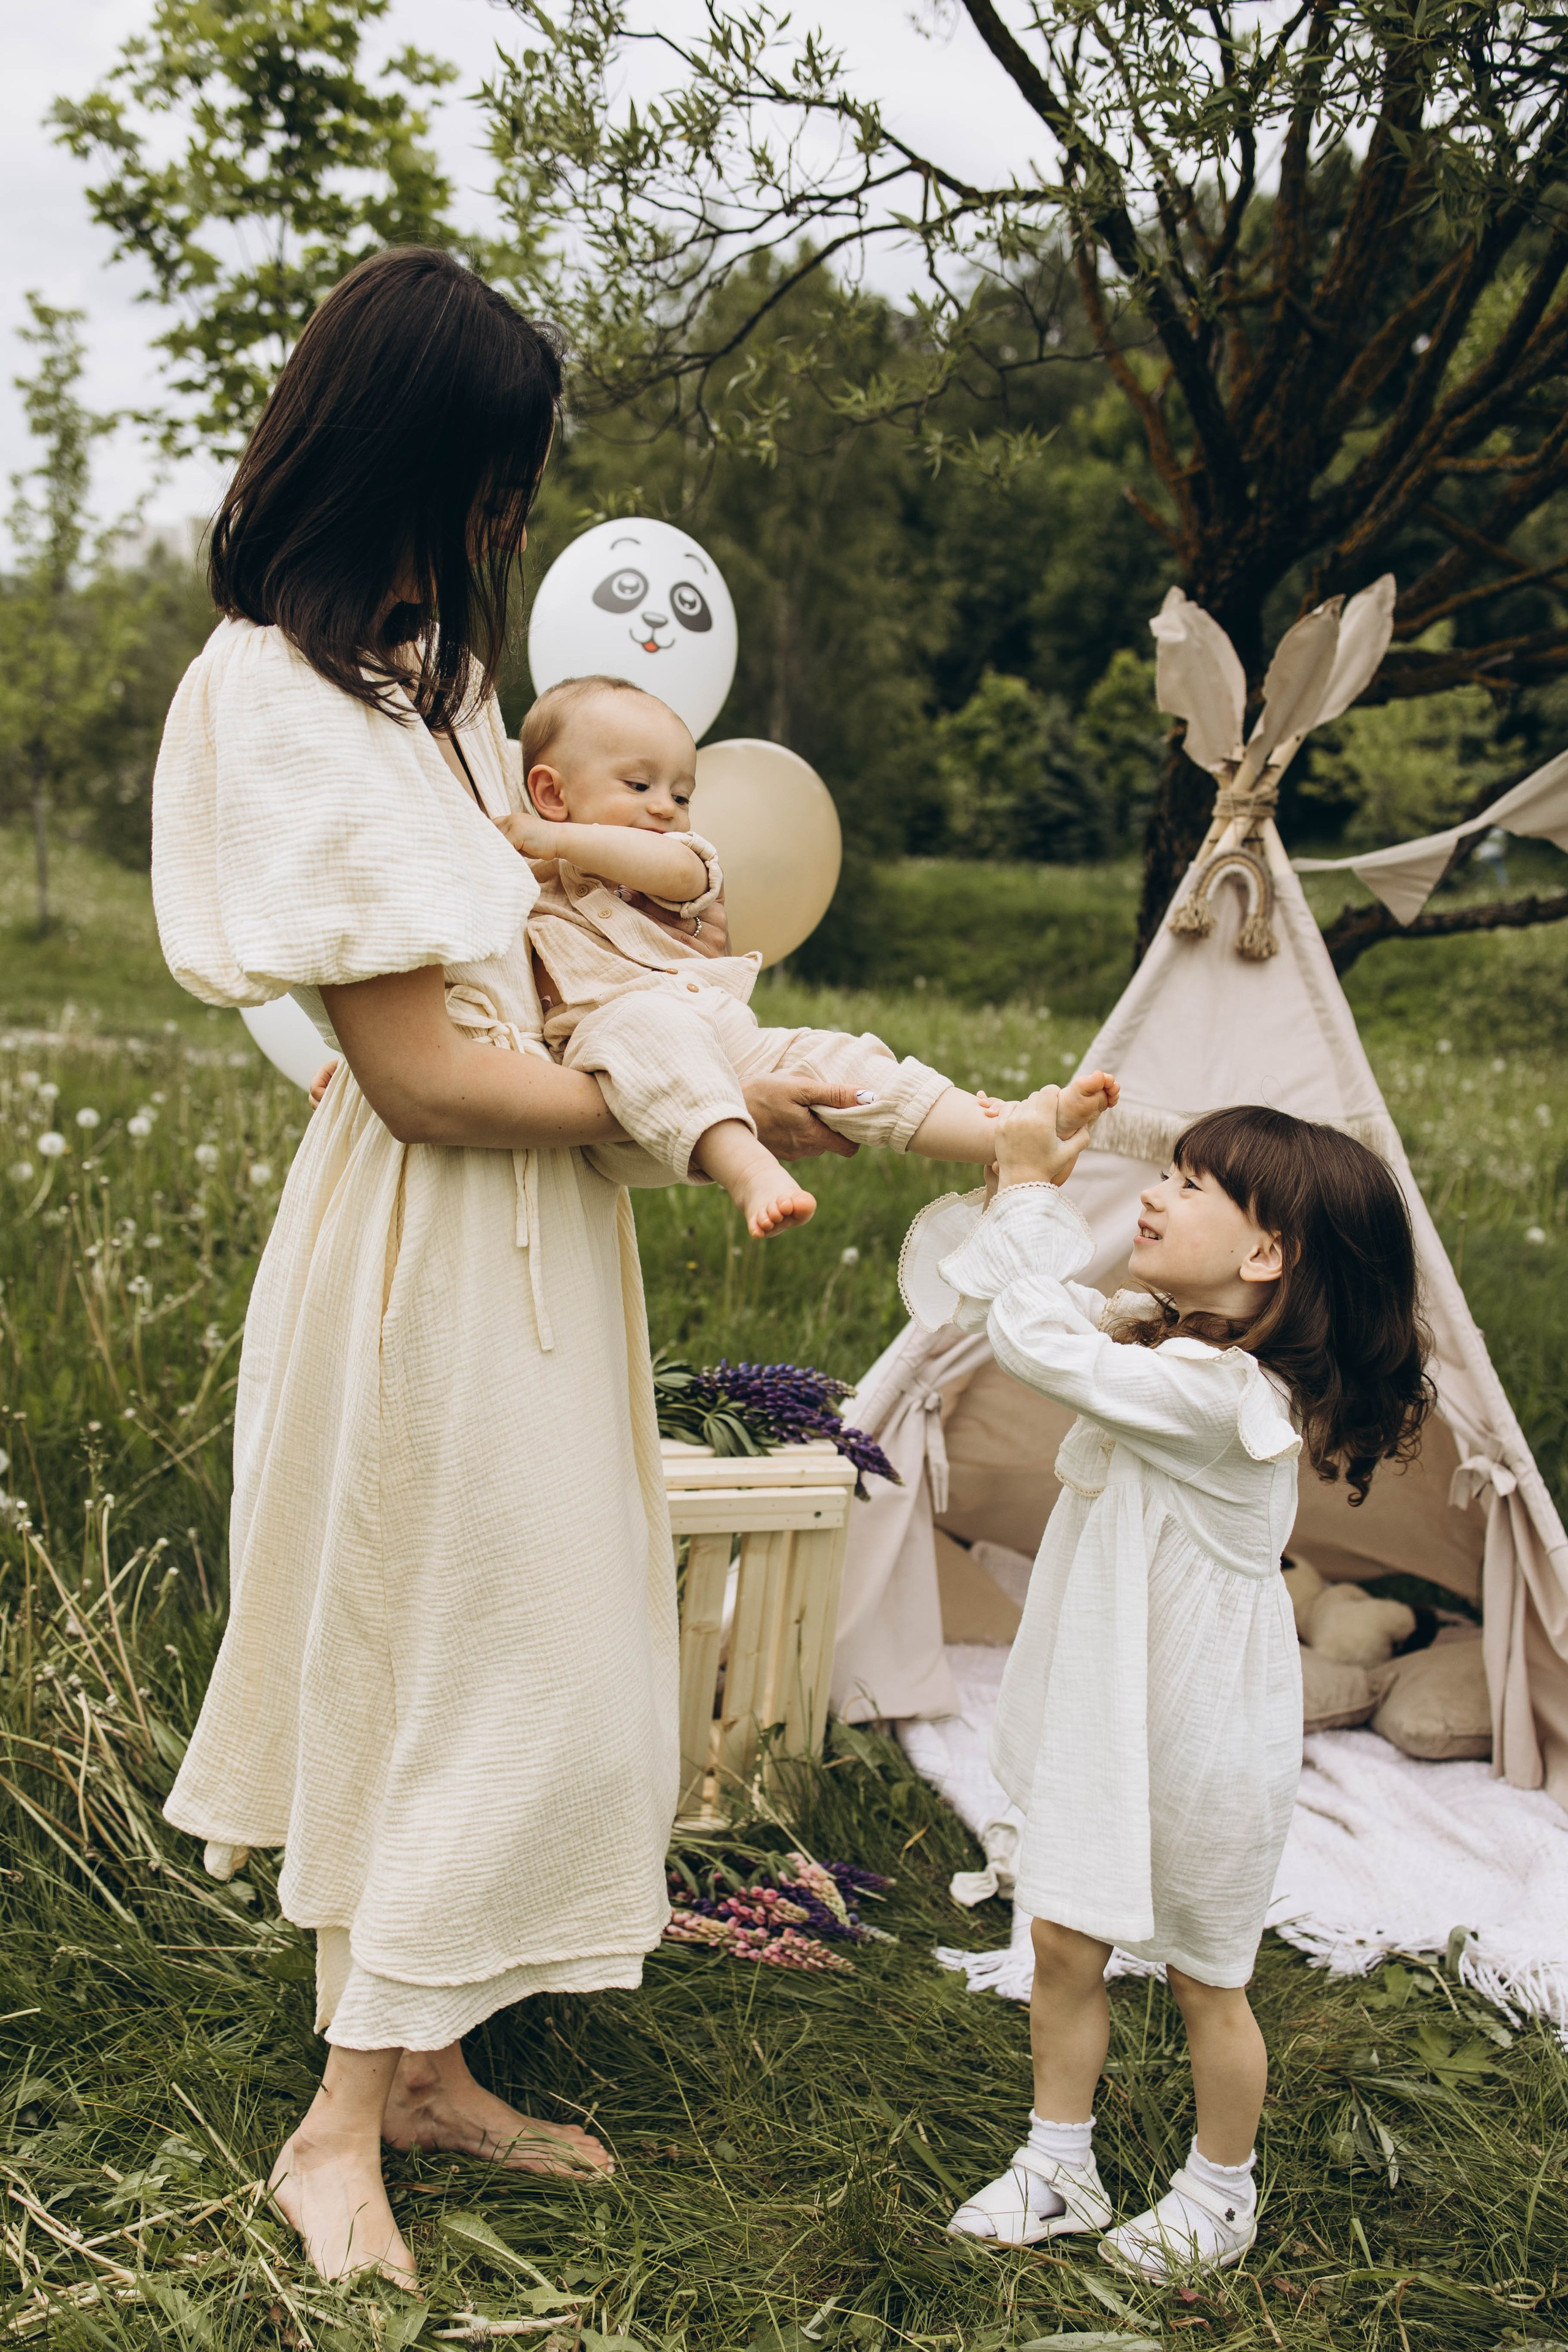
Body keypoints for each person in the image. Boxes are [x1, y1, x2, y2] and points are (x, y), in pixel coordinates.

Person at [151, 245, 867, 2293]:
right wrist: (705, 1123)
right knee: (456, 1657)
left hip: (530, 1248)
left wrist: (692, 1057)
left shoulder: (437, 694)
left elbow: (562, 963)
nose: (512, 524)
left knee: (538, 1654)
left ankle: (436, 2059)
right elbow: (430, 1083)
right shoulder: (274, 701)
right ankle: (335, 2126)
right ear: (416, 455)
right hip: (433, 1247)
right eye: (497, 478)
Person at [905, 1093, 1431, 2279]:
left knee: (1207, 1976)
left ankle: (1218, 2188)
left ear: (1264, 1256)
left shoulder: (1224, 1399)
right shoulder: (1167, 1345)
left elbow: (1038, 1340)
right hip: (1112, 1713)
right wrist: (1011, 1202)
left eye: (1190, 1186)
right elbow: (1056, 1317)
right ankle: (1056, 2162)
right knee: (1060, 1941)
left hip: (1195, 1733)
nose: (1151, 1194)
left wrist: (1038, 1200)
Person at [502, 673, 1016, 1235]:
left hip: (724, 1036)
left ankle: (1001, 1131)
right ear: (552, 794)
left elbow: (678, 872)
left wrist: (558, 840)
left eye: (680, 795)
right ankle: (749, 1172)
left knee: (836, 1057)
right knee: (647, 1023)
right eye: (639, 786)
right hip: (626, 1075)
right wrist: (541, 849)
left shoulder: (672, 861)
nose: (665, 810)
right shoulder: (525, 874)